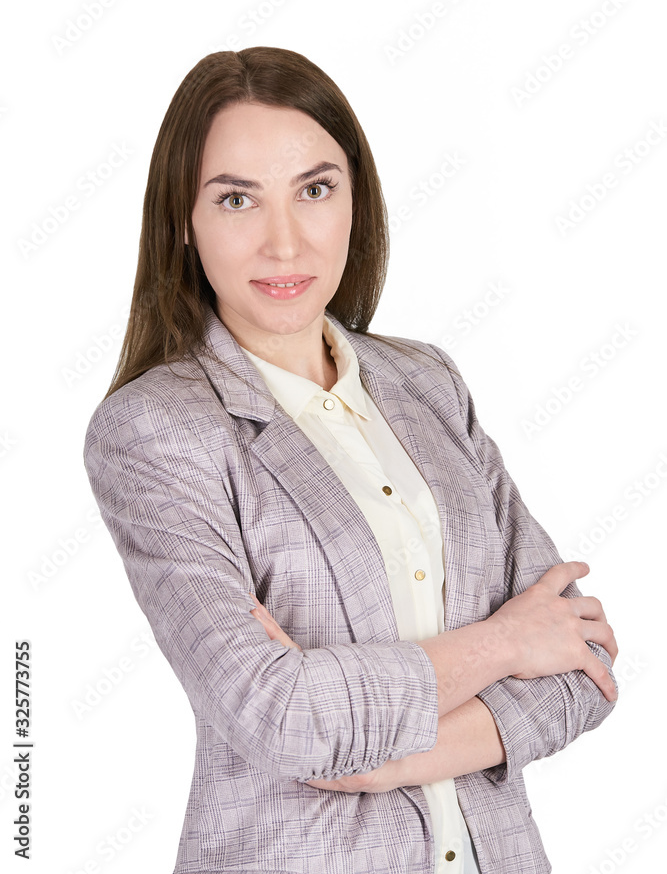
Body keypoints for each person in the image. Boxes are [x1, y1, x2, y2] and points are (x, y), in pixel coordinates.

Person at [82, 46, 618, 874]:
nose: (284, 242)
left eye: (314, 190)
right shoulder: (156, 431)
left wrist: (386, 762)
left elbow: (582, 661)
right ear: (182, 221)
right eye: (236, 199)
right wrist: (505, 645)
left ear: (355, 201)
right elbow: (283, 718)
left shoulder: (427, 382)